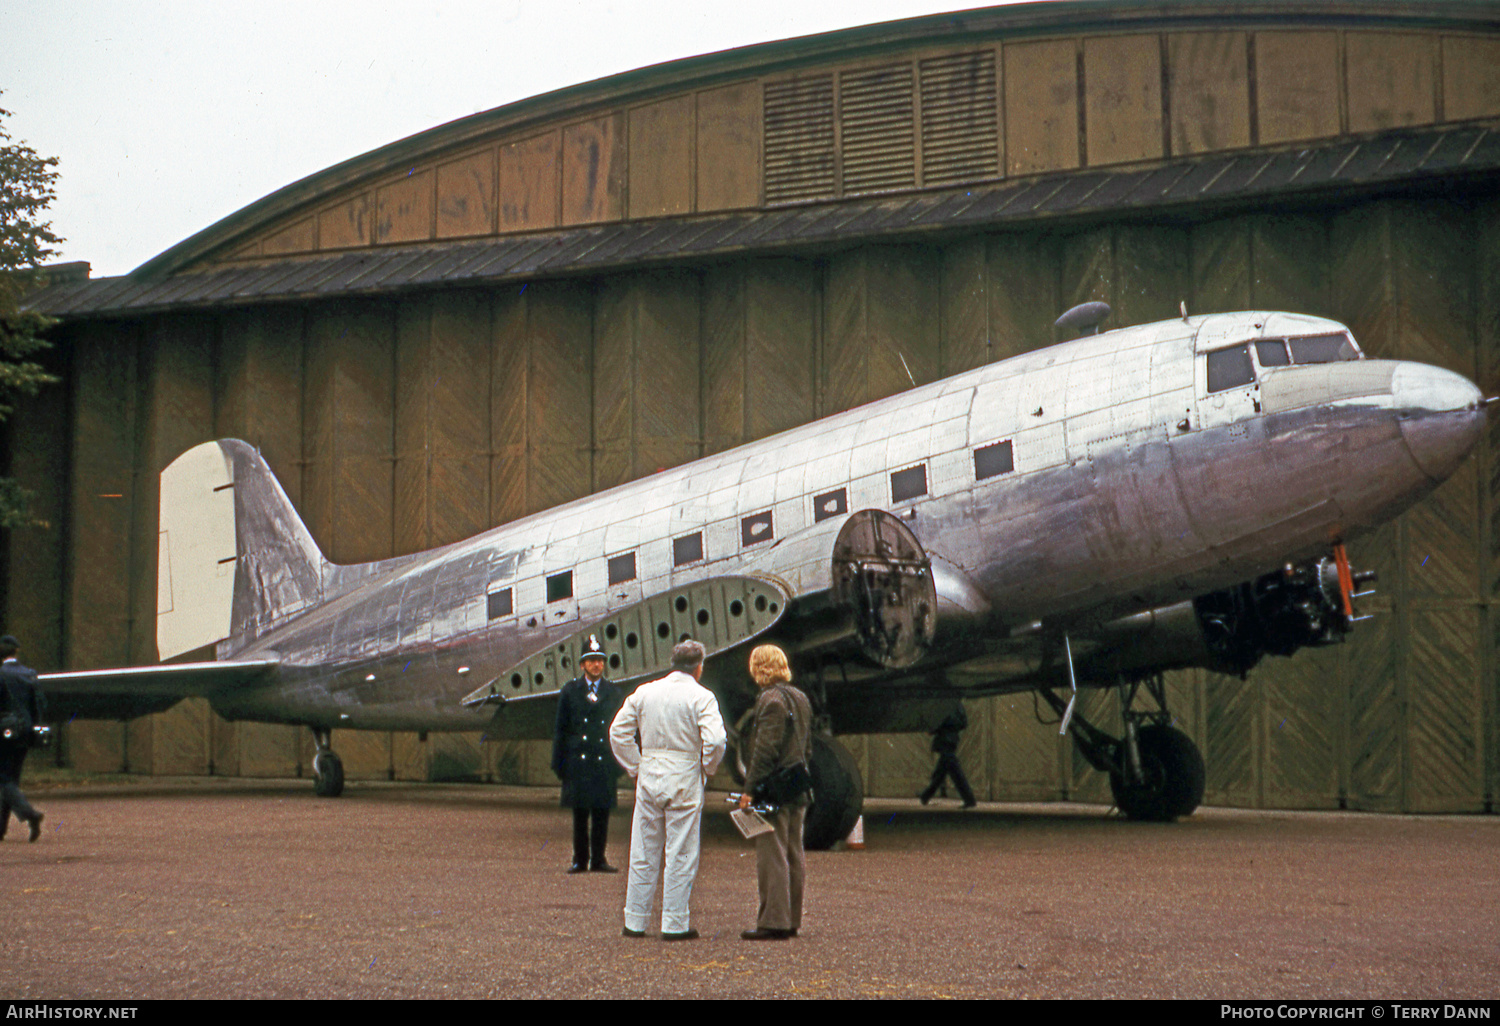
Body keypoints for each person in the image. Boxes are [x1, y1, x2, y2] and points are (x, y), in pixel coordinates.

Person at [608, 639, 726, 941]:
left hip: (650, 772)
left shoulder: (645, 692)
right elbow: (715, 741)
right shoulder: (702, 697)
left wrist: (636, 764)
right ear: (699, 666)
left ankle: (634, 920)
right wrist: (707, 767)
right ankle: (674, 923)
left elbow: (618, 732)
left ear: (672, 662)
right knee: (681, 852)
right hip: (684, 771)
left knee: (643, 850)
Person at [737, 644, 813, 941]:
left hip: (774, 789)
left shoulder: (769, 700)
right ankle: (792, 919)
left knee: (772, 853)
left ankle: (773, 921)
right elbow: (806, 746)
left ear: (760, 668)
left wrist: (750, 790)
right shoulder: (800, 697)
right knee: (795, 851)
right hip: (797, 784)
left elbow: (764, 751)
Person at [552, 634, 625, 873]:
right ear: (582, 664)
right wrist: (560, 765)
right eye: (591, 660)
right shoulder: (570, 691)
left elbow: (622, 729)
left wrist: (619, 766)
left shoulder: (614, 693)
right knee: (580, 815)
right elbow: (561, 729)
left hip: (603, 761)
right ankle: (579, 860)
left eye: (600, 660)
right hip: (579, 763)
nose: (597, 665)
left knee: (602, 814)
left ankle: (599, 859)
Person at [0, 635, 45, 842]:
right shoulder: (29, 673)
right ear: (16, 652)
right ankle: (1, 828)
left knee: (4, 780)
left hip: (4, 731)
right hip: (25, 731)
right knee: (11, 780)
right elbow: (39, 705)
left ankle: (30, 814)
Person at [919, 704, 976, 808]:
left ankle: (969, 799)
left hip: (945, 740)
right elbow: (963, 723)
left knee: (953, 771)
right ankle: (926, 796)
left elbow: (940, 722)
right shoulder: (958, 706)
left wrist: (934, 729)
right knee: (942, 770)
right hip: (952, 739)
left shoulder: (946, 706)